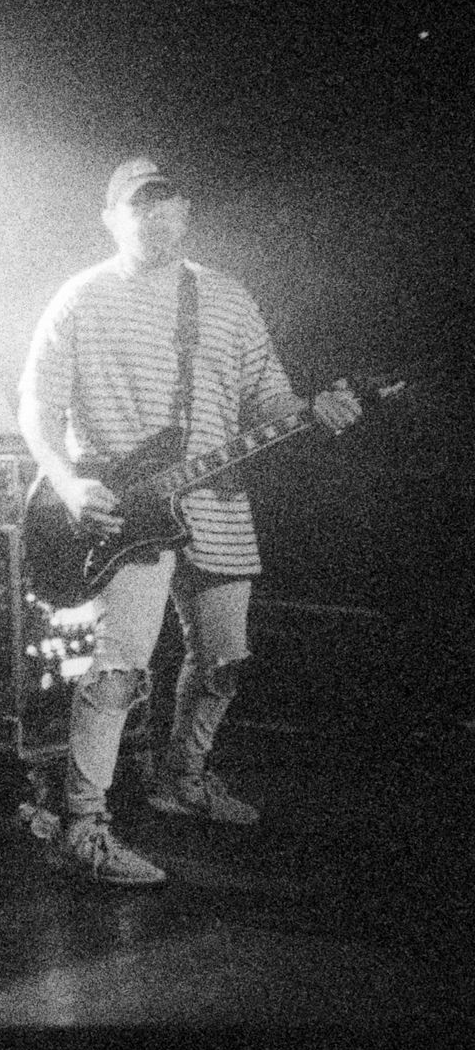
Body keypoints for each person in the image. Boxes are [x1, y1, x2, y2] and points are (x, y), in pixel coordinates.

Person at [18, 155, 361, 885]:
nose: (156, 215)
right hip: (127, 512)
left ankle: (183, 780)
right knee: (117, 673)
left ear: (188, 213)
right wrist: (71, 484)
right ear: (111, 217)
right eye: (139, 204)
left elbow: (270, 396)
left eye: (167, 203)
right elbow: (35, 409)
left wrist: (313, 413)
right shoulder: (80, 297)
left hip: (219, 500)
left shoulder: (228, 298)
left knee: (224, 662)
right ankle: (85, 824)